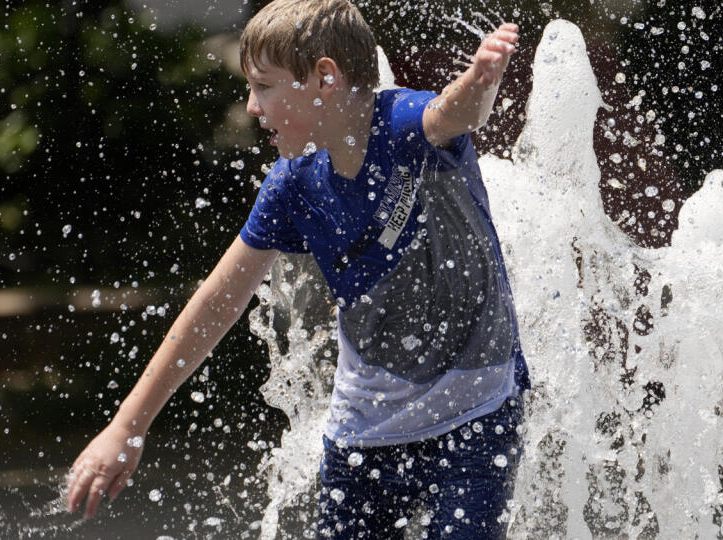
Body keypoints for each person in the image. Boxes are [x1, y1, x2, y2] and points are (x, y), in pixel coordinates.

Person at [67, 0, 529, 537]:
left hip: (476, 414)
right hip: (365, 436)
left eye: (264, 86)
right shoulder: (291, 187)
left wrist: (480, 77)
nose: (251, 106)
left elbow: (456, 112)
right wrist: (128, 424)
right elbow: (218, 301)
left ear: (324, 78)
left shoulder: (402, 127)